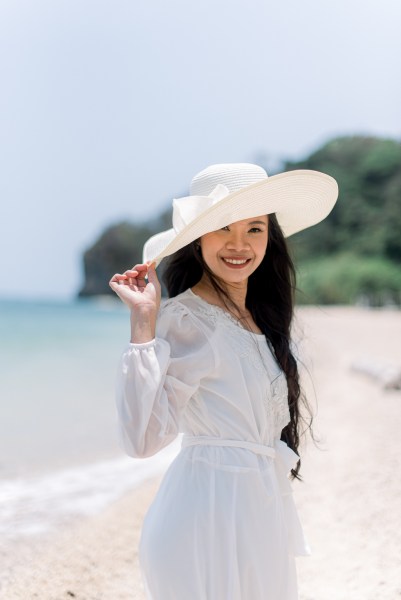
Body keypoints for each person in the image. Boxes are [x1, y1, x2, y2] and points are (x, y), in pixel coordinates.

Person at [109, 163, 338, 600]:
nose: (239, 245)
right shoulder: (188, 319)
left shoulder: (261, 319)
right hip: (204, 519)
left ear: (270, 237)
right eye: (223, 229)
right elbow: (142, 439)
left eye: (255, 229)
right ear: (198, 239)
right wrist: (144, 324)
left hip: (259, 513)